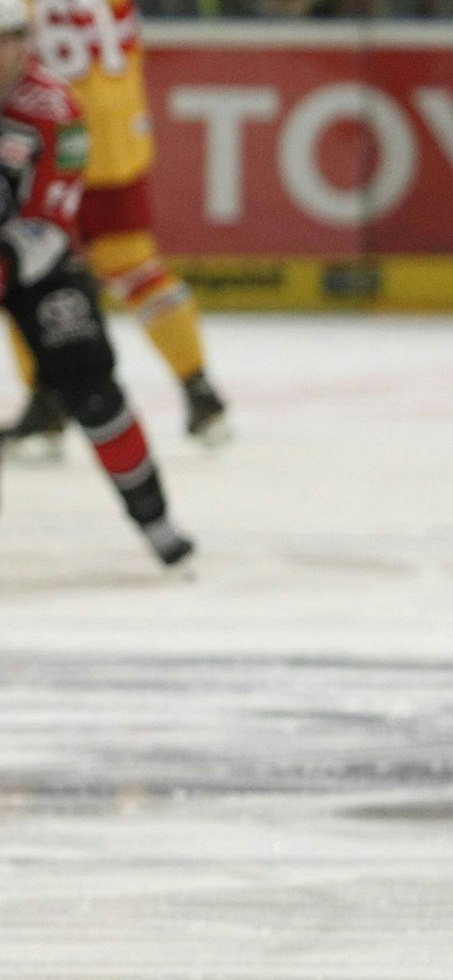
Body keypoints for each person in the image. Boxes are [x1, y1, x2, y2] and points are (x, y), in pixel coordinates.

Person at [0, 0, 193, 568]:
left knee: (94, 389)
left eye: (12, 39)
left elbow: (52, 222)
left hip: (37, 263)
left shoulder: (56, 106)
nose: (3, 53)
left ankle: (155, 518)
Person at [5, 0, 228, 459]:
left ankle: (46, 403)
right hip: (115, 146)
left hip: (46, 140)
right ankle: (197, 382)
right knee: (140, 273)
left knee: (20, 272)